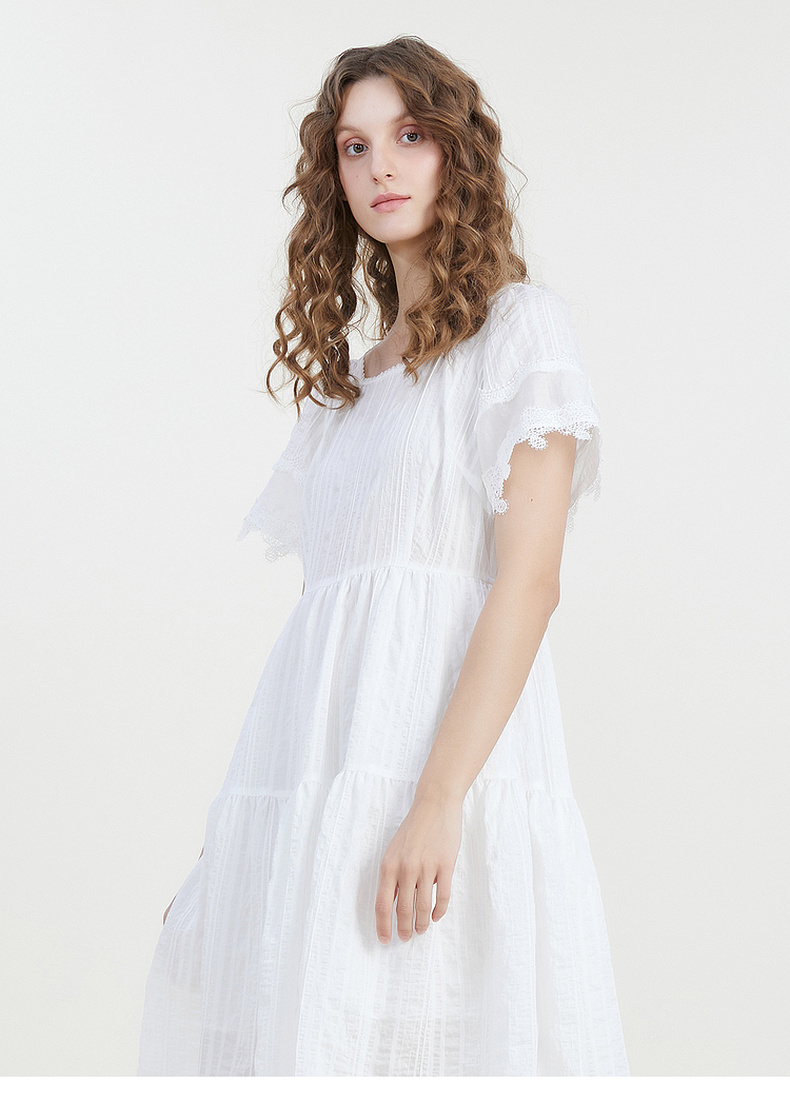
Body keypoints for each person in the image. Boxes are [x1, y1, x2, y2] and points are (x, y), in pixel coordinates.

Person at [137, 35, 629, 1077]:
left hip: (442, 783)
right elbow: (322, 639)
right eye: (354, 147)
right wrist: (231, 847)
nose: (381, 168)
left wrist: (437, 798)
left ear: (457, 153)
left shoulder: (519, 333)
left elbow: (528, 583)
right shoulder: (347, 392)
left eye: (409, 136)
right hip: (317, 786)